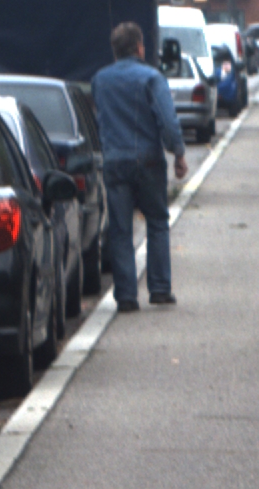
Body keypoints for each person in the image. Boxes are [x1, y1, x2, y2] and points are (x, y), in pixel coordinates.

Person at [91, 21, 188, 311]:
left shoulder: (100, 80)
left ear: (115, 50)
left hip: (115, 161)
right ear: (139, 47)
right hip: (148, 160)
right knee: (156, 222)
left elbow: (100, 120)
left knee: (120, 230)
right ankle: (159, 289)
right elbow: (167, 120)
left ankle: (126, 296)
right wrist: (178, 153)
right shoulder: (152, 78)